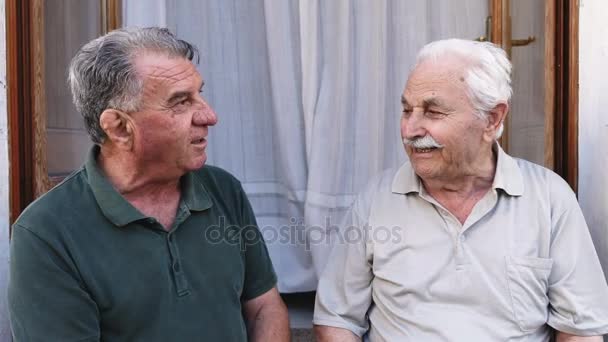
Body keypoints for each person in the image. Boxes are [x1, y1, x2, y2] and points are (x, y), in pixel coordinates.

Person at [313, 39, 608, 341]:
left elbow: (580, 331)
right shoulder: (376, 199)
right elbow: (336, 320)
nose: (410, 129)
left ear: (492, 119)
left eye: (433, 112)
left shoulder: (549, 199)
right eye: (406, 110)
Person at [8, 27, 289, 342]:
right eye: (181, 102)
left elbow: (264, 306)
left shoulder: (224, 190)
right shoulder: (46, 233)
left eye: (199, 93)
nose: (209, 116)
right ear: (119, 128)